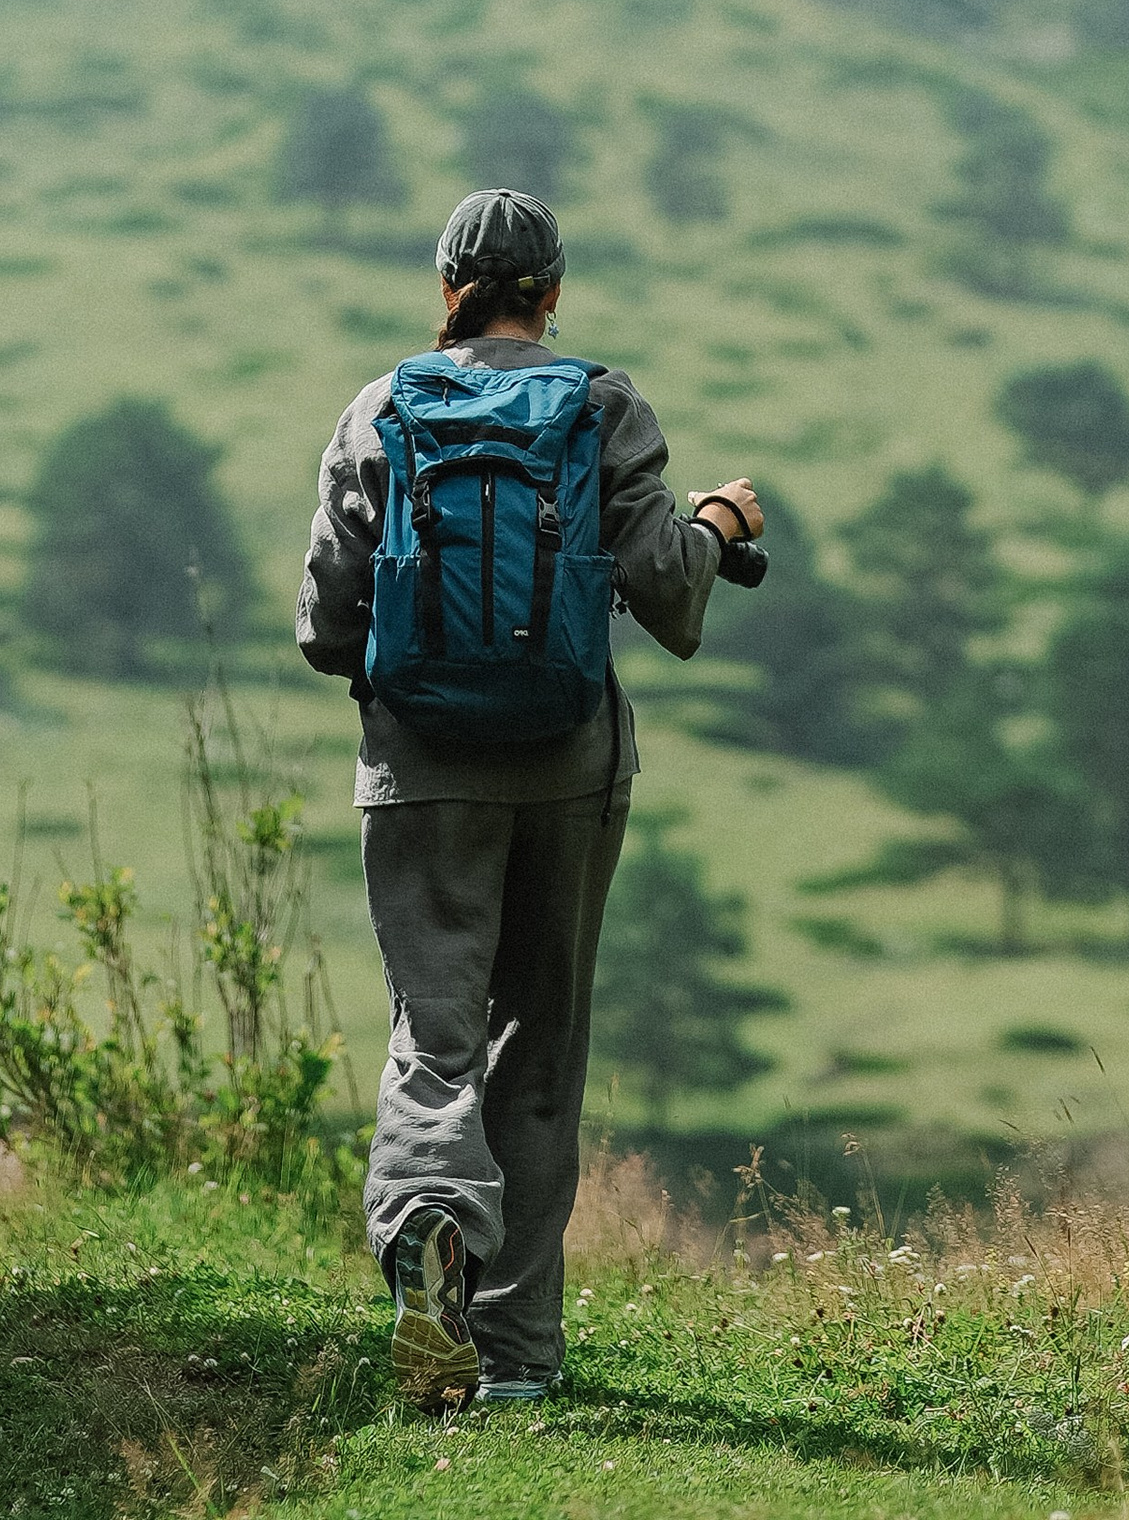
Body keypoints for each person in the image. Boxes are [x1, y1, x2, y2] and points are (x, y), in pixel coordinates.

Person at [296, 184, 765, 1411]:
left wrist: (418, 679)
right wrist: (713, 523)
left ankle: (430, 1223)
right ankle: (513, 1355)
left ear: (444, 288)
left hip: (416, 775)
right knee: (538, 1043)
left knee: (431, 1028)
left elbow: (321, 623)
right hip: (567, 767)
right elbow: (665, 592)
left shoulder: (381, 405)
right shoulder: (601, 402)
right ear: (551, 293)